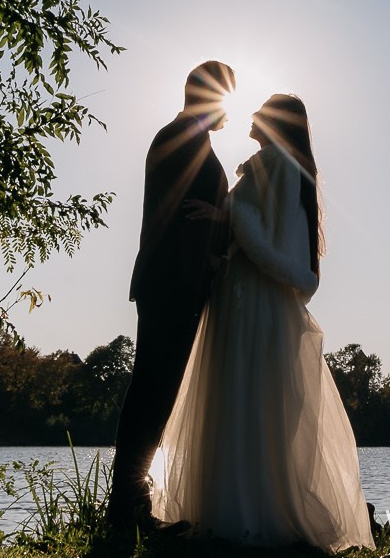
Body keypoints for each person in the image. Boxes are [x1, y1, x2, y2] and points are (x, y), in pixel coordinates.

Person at [153, 94, 374, 549]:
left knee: (240, 396)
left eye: (261, 111)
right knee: (257, 401)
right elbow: (276, 239)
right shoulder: (293, 169)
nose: (251, 116)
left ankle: (239, 514)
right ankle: (251, 507)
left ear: (275, 122)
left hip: (249, 297)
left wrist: (227, 215)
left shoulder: (274, 163)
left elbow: (265, 240)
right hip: (255, 295)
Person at [108, 59, 237, 531]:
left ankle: (128, 505)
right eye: (228, 98)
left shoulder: (186, 137)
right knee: (153, 391)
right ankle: (128, 508)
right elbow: (184, 216)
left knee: (154, 391)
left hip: (173, 282)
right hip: (173, 283)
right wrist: (208, 265)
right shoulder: (182, 138)